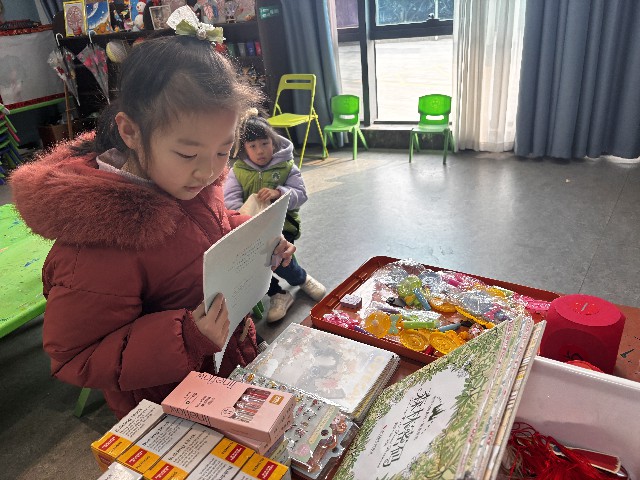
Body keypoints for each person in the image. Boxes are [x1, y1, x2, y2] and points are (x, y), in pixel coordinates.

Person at [10, 33, 295, 419]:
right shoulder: (97, 243)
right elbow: (75, 356)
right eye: (188, 153)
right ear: (130, 132)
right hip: (167, 404)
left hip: (226, 364)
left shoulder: (186, 180)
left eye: (223, 150)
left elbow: (208, 228)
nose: (208, 171)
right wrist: (187, 337)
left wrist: (258, 240)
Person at [224, 112, 326, 322]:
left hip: (283, 226)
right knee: (255, 267)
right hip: (249, 229)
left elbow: (301, 195)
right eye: (253, 146)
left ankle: (301, 278)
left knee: (280, 259)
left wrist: (279, 193)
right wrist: (243, 218)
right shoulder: (238, 171)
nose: (260, 150)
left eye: (265, 143)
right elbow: (230, 200)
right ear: (244, 148)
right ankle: (278, 294)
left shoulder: (286, 166)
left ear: (274, 141)